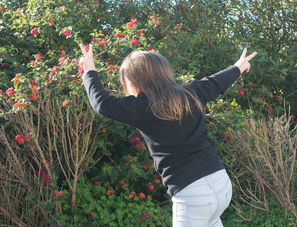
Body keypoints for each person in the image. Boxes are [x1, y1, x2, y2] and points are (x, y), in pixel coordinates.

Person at [79, 43, 257, 227]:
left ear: (135, 83)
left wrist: (89, 70)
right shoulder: (191, 92)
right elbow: (217, 82)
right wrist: (239, 67)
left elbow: (101, 104)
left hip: (192, 194)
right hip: (221, 182)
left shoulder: (141, 108)